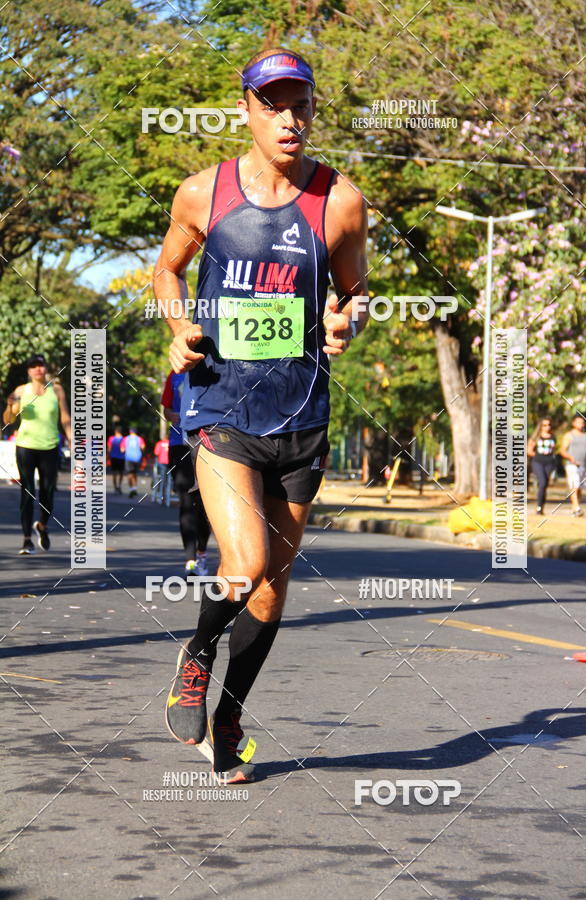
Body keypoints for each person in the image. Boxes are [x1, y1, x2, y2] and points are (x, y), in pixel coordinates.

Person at [153, 47, 368, 783]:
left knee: (274, 584)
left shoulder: (340, 201)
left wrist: (347, 319)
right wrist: (179, 327)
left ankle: (231, 713)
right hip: (221, 406)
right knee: (243, 565)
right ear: (244, 110)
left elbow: (356, 291)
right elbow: (167, 270)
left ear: (313, 110)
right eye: (272, 104)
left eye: (300, 104)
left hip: (302, 415)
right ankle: (196, 656)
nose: (289, 118)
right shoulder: (201, 195)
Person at [2, 354, 71, 554]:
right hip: (26, 446)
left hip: (50, 447)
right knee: (27, 490)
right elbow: (10, 418)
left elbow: (65, 416)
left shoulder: (56, 389)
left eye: (40, 365)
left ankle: (42, 524)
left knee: (48, 492)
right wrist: (9, 404)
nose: (38, 369)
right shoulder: (21, 391)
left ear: (45, 368)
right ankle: (26, 540)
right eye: (33, 366)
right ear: (29, 371)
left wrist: (72, 439)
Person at [161, 370, 210, 577]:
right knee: (186, 501)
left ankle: (202, 553)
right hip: (179, 445)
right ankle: (190, 560)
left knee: (205, 504)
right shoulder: (175, 375)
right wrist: (171, 415)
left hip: (208, 445)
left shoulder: (213, 370)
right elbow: (166, 409)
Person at [560, 413, 586, 516]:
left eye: (582, 422)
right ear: (573, 423)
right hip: (572, 465)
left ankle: (575, 508)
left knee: (579, 487)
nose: (581, 424)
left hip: (583, 465)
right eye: (579, 422)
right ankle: (576, 508)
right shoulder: (569, 435)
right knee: (574, 484)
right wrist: (570, 458)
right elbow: (562, 451)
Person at [527, 417, 557, 514]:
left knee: (544, 485)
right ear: (540, 426)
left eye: (549, 425)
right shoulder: (536, 437)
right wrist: (537, 455)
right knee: (542, 482)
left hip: (549, 463)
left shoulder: (553, 437)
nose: (547, 427)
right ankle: (539, 506)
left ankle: (541, 506)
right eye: (544, 425)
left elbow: (554, 450)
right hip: (538, 462)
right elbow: (529, 451)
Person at [120, 426, 146, 498]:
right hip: (137, 458)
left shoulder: (126, 439)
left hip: (129, 457)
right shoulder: (140, 439)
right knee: (134, 473)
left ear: (130, 431)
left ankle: (131, 488)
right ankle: (134, 488)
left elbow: (122, 449)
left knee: (129, 473)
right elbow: (143, 447)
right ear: (136, 432)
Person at [152, 433, 171, 505]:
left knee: (162, 479)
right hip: (169, 464)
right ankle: (167, 494)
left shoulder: (159, 443)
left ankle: (162, 496)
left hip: (162, 463)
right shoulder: (171, 444)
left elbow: (156, 453)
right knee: (168, 480)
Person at [107, 424, 125, 493]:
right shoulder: (123, 439)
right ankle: (119, 486)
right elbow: (123, 449)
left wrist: (108, 457)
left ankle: (115, 487)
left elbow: (109, 449)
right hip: (121, 458)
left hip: (113, 457)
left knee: (114, 473)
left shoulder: (111, 438)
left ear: (116, 432)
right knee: (121, 473)